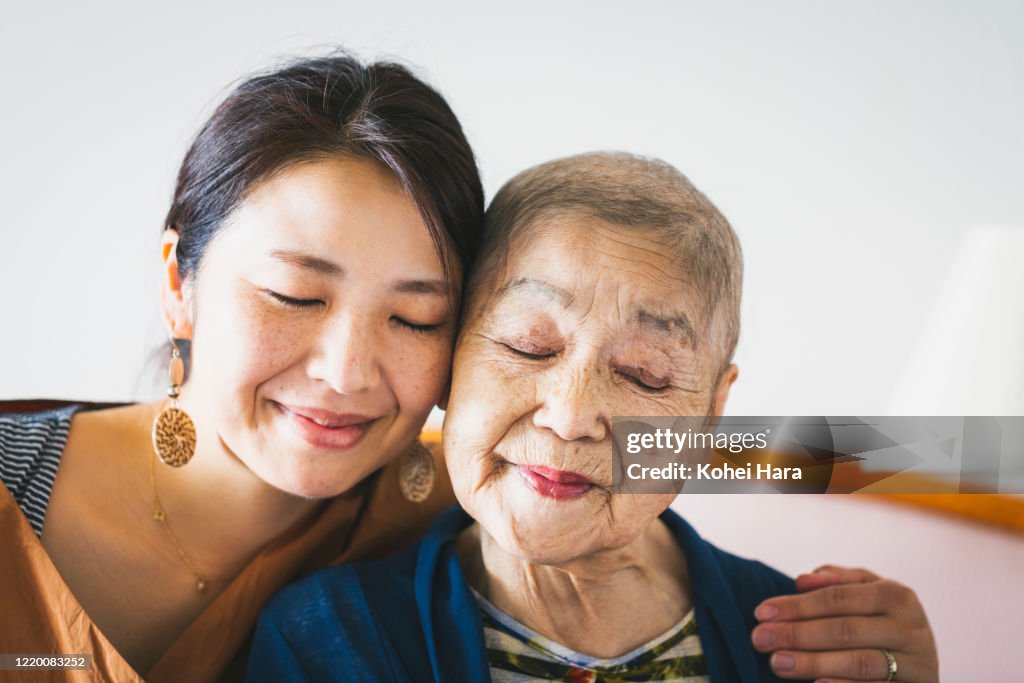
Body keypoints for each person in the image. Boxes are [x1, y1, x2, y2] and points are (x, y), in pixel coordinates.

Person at [0, 54, 935, 682]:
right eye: (294, 294)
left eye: (416, 316)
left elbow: (729, 454)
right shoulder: (349, 615)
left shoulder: (478, 494)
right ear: (179, 282)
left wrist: (899, 648)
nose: (345, 369)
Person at [248, 152, 939, 683]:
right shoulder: (333, 636)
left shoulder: (800, 637)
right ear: (451, 364)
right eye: (529, 345)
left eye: (644, 374)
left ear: (708, 414)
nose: (573, 414)